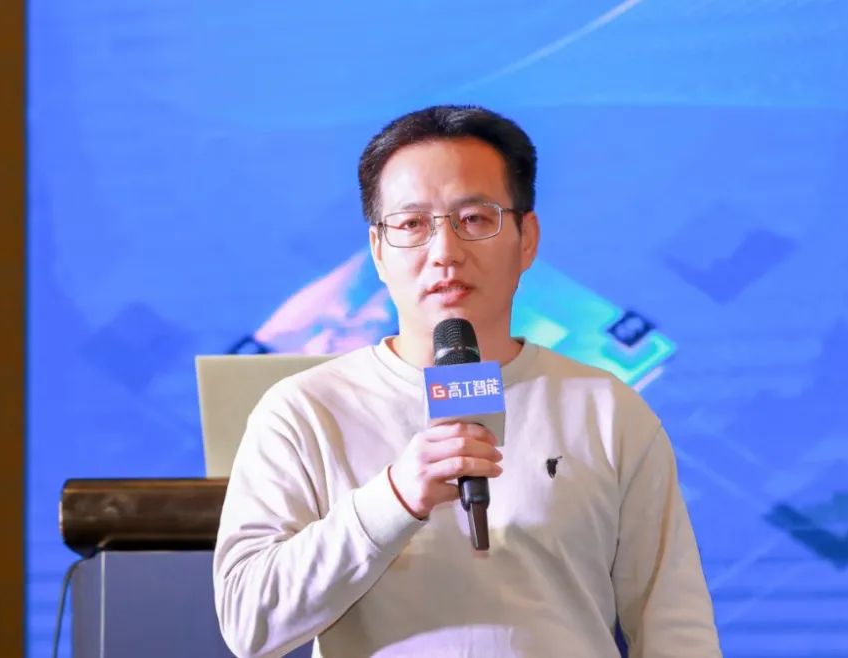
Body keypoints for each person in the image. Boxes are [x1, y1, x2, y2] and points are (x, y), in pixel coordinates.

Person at [213, 105, 722, 657]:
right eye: (412, 225)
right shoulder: (305, 409)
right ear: (378, 251)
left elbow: (675, 625)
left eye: (475, 219)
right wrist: (393, 498)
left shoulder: (606, 409)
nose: (445, 253)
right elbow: (249, 624)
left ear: (527, 238)